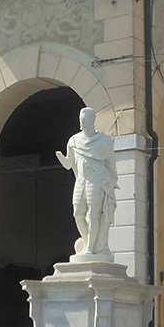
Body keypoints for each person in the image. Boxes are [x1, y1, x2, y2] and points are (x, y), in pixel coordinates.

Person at [55, 108, 117, 256]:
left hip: (96, 179)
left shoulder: (104, 141)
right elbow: (69, 164)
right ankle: (89, 241)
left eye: (85, 119)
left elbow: (111, 165)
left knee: (94, 214)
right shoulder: (74, 140)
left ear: (92, 120)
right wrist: (61, 158)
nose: (82, 122)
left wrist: (111, 181)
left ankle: (90, 248)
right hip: (81, 180)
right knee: (78, 213)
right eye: (81, 119)